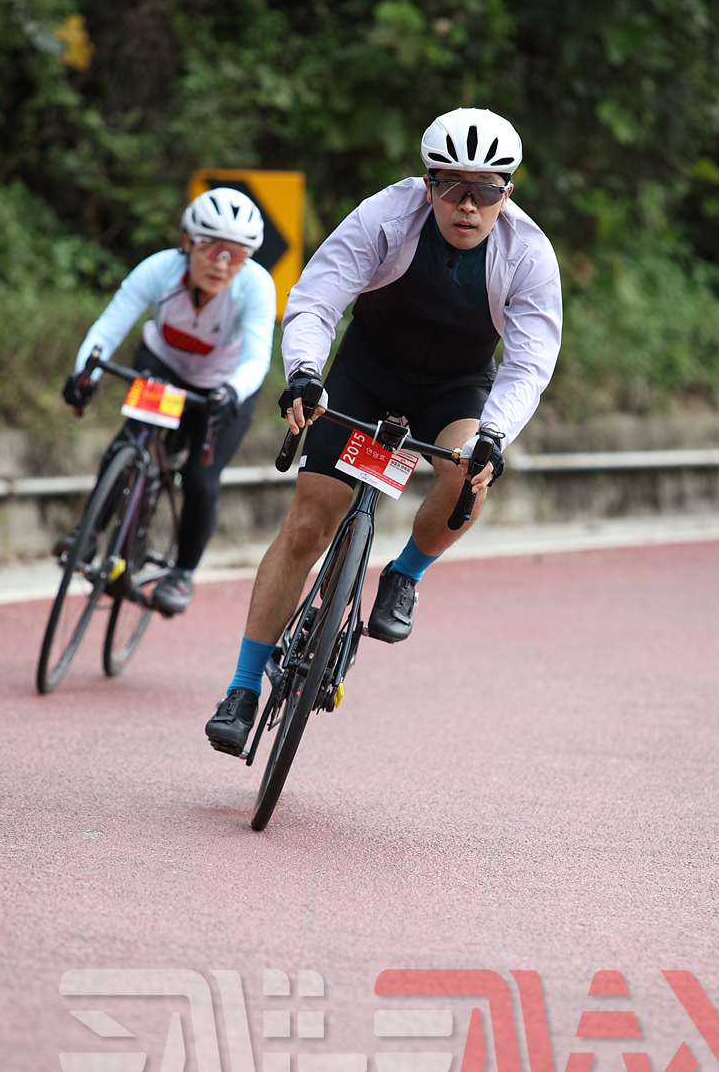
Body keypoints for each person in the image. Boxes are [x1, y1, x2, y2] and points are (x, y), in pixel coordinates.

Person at [205, 107, 562, 754]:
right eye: (452, 186)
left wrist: (494, 435)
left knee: (469, 476)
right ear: (427, 185)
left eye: (486, 191)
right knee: (309, 523)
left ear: (507, 195)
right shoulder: (386, 216)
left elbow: (530, 362)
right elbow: (317, 298)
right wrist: (305, 374)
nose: (468, 204)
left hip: (454, 387)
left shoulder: (528, 254)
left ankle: (405, 575)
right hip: (367, 373)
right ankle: (243, 686)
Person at [60, 187, 276, 615]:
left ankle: (182, 571)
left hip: (223, 387)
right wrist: (85, 374)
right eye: (211, 248)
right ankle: (90, 535)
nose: (222, 263)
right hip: (163, 365)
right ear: (187, 242)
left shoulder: (255, 286)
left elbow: (257, 358)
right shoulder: (158, 270)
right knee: (130, 442)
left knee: (200, 478)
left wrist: (233, 392)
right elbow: (108, 329)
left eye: (237, 253)